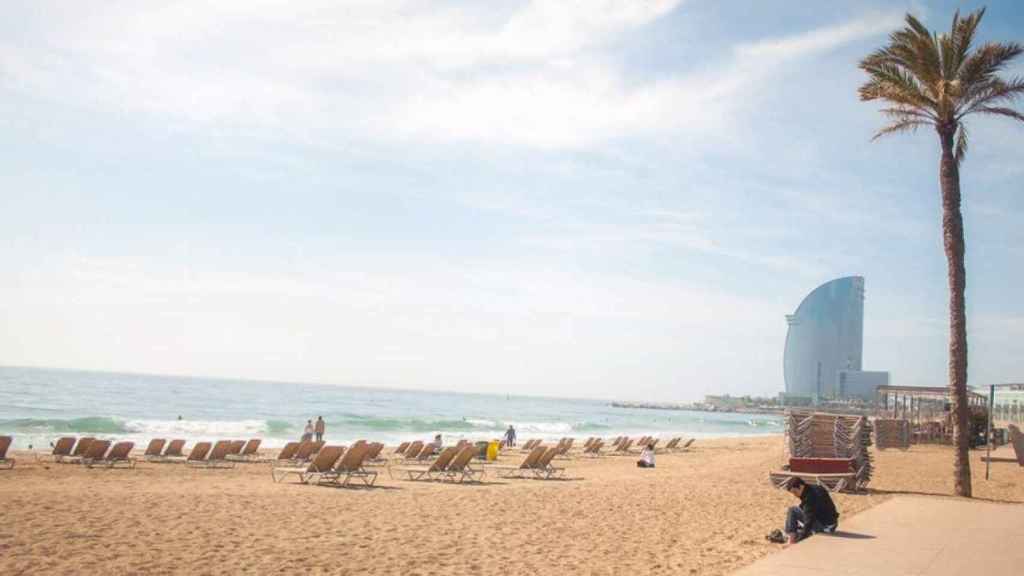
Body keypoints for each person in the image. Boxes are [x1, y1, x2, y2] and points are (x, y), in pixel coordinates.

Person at [778, 477, 839, 545]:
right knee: (797, 512)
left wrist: (799, 540)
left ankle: (791, 540)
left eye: (795, 492)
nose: (795, 495)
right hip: (832, 523)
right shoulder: (816, 488)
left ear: (801, 486)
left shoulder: (809, 498)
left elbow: (808, 521)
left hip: (825, 528)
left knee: (792, 510)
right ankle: (793, 533)